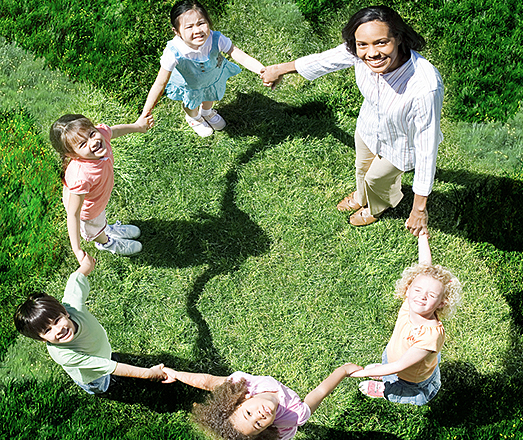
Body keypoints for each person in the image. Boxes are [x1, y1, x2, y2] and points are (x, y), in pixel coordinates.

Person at [260, 5, 442, 230]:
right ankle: (361, 195)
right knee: (362, 167)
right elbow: (324, 61)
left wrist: (419, 209)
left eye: (381, 42)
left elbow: (427, 148)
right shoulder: (359, 52)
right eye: (363, 44)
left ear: (399, 38)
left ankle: (377, 206)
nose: (372, 53)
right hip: (367, 127)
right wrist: (279, 69)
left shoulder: (425, 86)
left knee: (378, 179)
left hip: (401, 143)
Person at [13, 253, 168, 394]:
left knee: (108, 357)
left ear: (65, 311)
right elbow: (111, 367)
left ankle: (107, 358)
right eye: (47, 330)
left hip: (100, 350)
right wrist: (148, 373)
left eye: (57, 320)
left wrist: (86, 266)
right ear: (42, 339)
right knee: (103, 383)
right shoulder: (65, 355)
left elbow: (75, 282)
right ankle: (100, 389)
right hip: (92, 375)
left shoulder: (74, 306)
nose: (58, 329)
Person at [347, 229, 462, 405]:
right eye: (417, 289)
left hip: (410, 376)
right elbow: (424, 266)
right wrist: (422, 237)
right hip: (395, 354)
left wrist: (360, 372)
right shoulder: (410, 302)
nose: (422, 296)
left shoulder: (429, 336)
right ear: (408, 288)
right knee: (390, 365)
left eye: (431, 295)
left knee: (400, 387)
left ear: (441, 303)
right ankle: (384, 372)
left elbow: (399, 366)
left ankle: (386, 390)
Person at [139, 0, 267, 137]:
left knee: (209, 95)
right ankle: (194, 118)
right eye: (189, 27)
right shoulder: (173, 52)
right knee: (191, 105)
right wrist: (146, 111)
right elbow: (160, 83)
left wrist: (262, 70)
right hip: (190, 85)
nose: (198, 30)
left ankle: (207, 112)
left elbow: (241, 56)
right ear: (177, 32)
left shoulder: (216, 39)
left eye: (201, 23)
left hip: (210, 79)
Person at [161, 363, 362, 439]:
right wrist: (342, 371)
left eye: (248, 414)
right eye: (258, 425)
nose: (259, 416)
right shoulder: (292, 414)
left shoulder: (244, 384)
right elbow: (318, 393)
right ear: (265, 430)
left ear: (239, 402)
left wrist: (177, 374)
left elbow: (208, 382)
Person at [50, 113, 150, 257]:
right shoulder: (81, 177)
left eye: (91, 133)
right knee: (95, 227)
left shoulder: (100, 136)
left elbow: (113, 131)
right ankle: (106, 242)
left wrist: (137, 126)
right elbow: (73, 214)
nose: (93, 142)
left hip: (96, 199)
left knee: (100, 217)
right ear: (72, 155)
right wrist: (77, 250)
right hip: (87, 212)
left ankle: (106, 228)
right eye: (83, 144)